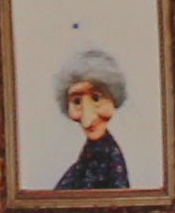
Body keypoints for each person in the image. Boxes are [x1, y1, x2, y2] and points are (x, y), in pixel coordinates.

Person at [43, 49, 134, 193]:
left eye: (96, 99)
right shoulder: (85, 159)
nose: (87, 121)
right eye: (77, 102)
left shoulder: (112, 162)